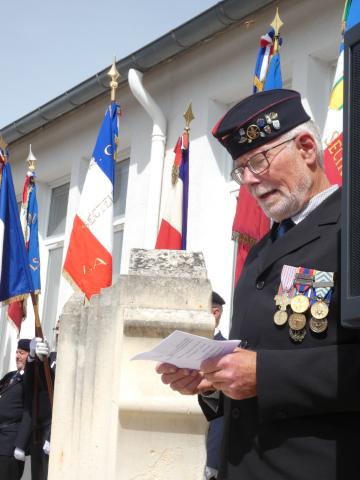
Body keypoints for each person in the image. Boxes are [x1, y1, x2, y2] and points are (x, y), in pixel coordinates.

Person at [155, 89, 359, 479]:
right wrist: (213, 379)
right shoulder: (261, 250)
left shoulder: (351, 228)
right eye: (240, 169)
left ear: (306, 148)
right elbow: (254, 358)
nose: (248, 180)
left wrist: (262, 375)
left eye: (258, 161)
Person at [27, 321, 58, 480]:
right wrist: (36, 358)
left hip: (57, 429)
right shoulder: (50, 357)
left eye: (61, 330)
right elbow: (33, 385)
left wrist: (55, 435)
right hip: (40, 427)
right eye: (56, 329)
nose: (57, 334)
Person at [0, 339, 33, 480]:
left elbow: (29, 414)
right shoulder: (10, 376)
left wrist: (21, 445)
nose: (17, 356)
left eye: (22, 353)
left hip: (10, 444)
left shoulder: (30, 380)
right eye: (16, 352)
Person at [205, 292, 226, 480]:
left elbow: (221, 416)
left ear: (215, 313)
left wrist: (211, 460)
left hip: (211, 460)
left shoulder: (227, 352)